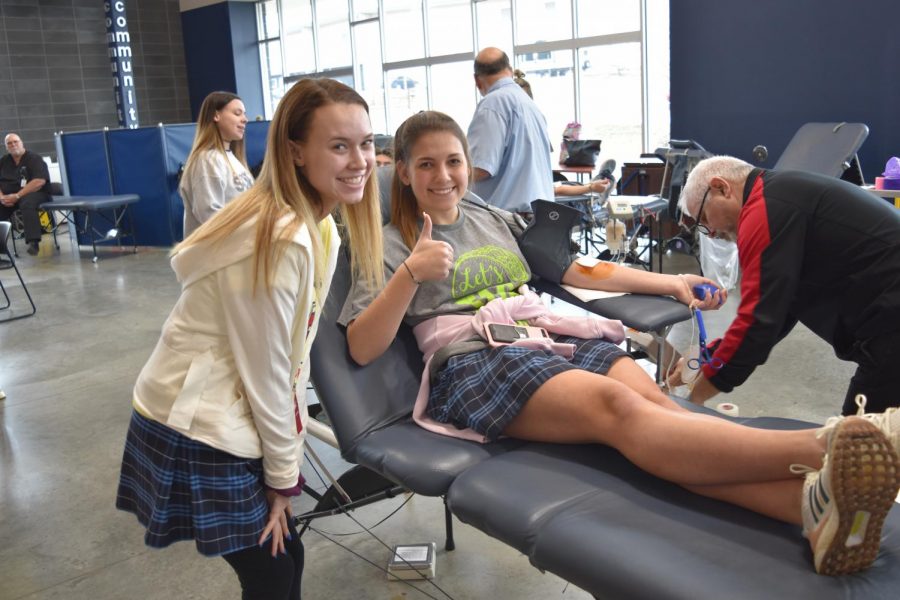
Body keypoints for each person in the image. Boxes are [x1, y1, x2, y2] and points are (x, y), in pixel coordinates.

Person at [339, 110, 900, 577]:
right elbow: (364, 348)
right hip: (476, 362)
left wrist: (670, 281)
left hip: (545, 338)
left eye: (453, 161)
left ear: (469, 165)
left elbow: (579, 269)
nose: (443, 176)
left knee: (659, 405)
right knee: (620, 410)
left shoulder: (494, 219)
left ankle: (810, 512)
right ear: (404, 175)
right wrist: (409, 275)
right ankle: (827, 450)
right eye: (426, 165)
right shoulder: (386, 244)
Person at [116, 79, 384, 599]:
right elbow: (270, 372)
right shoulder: (282, 236)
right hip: (198, 422)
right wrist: (283, 476)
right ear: (295, 152)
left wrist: (287, 450)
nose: (360, 161)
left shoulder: (320, 226)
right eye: (339, 146)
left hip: (230, 411)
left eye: (367, 143)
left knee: (283, 559)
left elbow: (293, 349)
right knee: (273, 569)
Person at [671, 156, 900, 416]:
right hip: (887, 314)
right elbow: (781, 305)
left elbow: (759, 321)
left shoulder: (764, 210)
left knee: (856, 444)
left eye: (703, 217)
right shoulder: (779, 195)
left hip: (891, 321)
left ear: (721, 188)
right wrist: (710, 355)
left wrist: (695, 398)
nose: (710, 232)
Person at [467, 48, 554, 215]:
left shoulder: (492, 104)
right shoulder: (530, 105)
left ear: (477, 80)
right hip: (539, 216)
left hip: (507, 222)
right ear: (510, 71)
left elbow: (481, 168)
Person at [179, 91, 254, 237]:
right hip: (214, 255)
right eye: (237, 113)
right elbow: (210, 216)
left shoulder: (232, 158)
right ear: (216, 115)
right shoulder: (207, 159)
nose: (245, 119)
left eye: (244, 114)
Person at [0, 133, 52, 256]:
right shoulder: (3, 161)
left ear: (21, 142)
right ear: (6, 147)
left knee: (27, 202)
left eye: (15, 141)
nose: (13, 145)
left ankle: (33, 242)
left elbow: (39, 181)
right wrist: (2, 197)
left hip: (35, 193)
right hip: (9, 197)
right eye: (9, 143)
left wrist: (17, 196)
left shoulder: (34, 158)